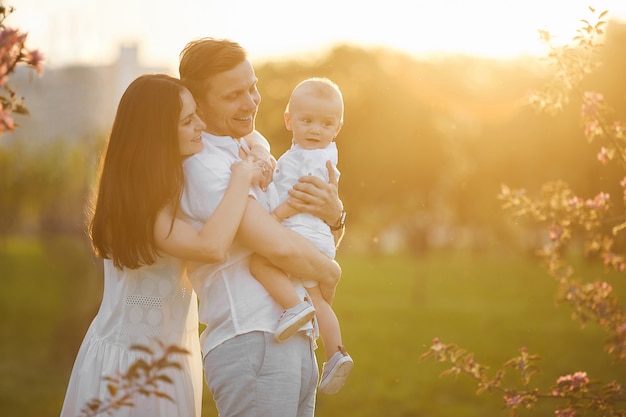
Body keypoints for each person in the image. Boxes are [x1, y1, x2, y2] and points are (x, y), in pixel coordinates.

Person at [60, 74, 265, 417]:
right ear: (158, 136)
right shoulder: (144, 207)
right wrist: (241, 177)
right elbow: (210, 245)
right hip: (132, 368)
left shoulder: (165, 186)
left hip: (161, 354)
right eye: (188, 120)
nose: (201, 124)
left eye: (197, 113)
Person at [178, 38, 345, 417]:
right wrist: (330, 272)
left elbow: (305, 234)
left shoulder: (251, 149)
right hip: (251, 338)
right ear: (199, 104)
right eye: (234, 95)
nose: (251, 101)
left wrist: (335, 216)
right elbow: (279, 247)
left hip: (292, 336)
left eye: (252, 87)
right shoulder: (204, 165)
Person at [249, 77, 353, 395]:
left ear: (337, 127)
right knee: (320, 299)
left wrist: (273, 218)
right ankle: (336, 353)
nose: (315, 130)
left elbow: (297, 199)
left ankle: (294, 307)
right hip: (319, 239)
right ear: (289, 120)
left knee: (259, 264)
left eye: (326, 124)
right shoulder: (322, 156)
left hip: (300, 234)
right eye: (307, 121)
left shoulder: (305, 159)